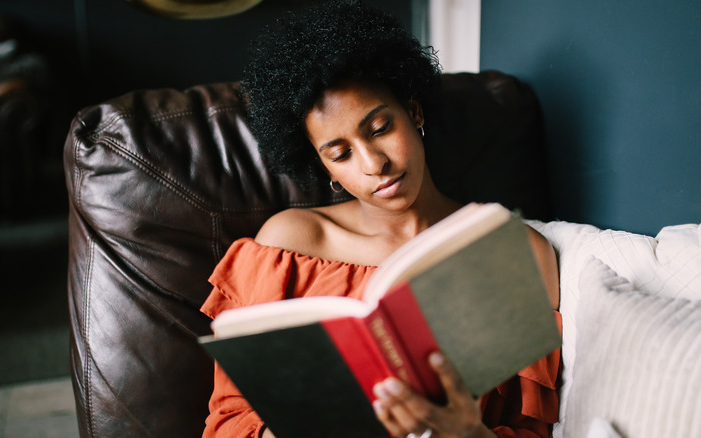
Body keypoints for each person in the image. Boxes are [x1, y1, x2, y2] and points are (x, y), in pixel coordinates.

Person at [200, 1, 561, 437]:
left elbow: (532, 430)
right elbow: (230, 422)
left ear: (415, 113)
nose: (374, 164)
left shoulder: (516, 253)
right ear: (324, 168)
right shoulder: (288, 245)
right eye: (341, 153)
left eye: (379, 128)